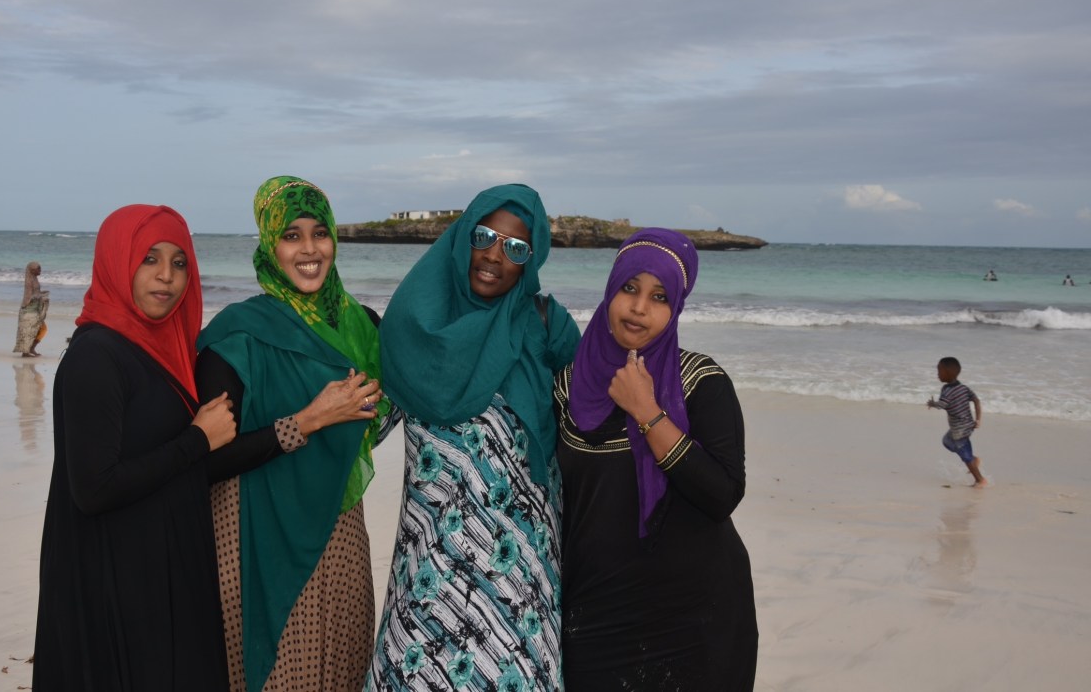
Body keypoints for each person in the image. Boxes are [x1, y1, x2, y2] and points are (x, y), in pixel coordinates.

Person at [366, 184, 580, 691]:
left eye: (516, 248)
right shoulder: (414, 331)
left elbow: (595, 418)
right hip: (429, 575)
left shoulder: (546, 325)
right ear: (463, 237)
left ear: (531, 260)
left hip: (521, 579)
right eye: (484, 236)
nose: (494, 255)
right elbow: (363, 425)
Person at [196, 176, 389, 692]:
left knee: (343, 669)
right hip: (257, 534)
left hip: (340, 533)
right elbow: (206, 462)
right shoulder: (236, 335)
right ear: (269, 244)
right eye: (291, 235)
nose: (309, 250)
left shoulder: (364, 327)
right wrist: (309, 420)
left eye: (319, 233)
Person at [33, 205, 237, 691]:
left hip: (155, 571)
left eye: (179, 262)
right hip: (113, 583)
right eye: (149, 258)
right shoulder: (96, 355)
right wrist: (197, 439)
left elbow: (174, 463)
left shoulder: (163, 351)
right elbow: (94, 490)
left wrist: (303, 424)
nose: (167, 276)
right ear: (116, 262)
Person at [554, 227, 758, 691]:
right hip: (597, 614)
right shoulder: (566, 387)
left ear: (677, 307)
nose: (639, 307)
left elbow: (722, 495)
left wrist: (646, 411)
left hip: (696, 617)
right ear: (611, 290)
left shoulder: (701, 382)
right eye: (629, 288)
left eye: (659, 296)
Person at [927, 356, 985, 487]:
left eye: (939, 371)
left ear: (947, 372)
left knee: (965, 454)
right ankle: (973, 459)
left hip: (960, 429)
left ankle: (980, 480)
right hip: (964, 426)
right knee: (947, 441)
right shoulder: (963, 388)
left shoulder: (947, 391)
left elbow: (943, 404)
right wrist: (978, 419)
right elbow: (976, 400)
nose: (937, 374)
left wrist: (933, 403)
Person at [13, 260, 49, 356]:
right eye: (38, 269)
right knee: (28, 330)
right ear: (32, 270)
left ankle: (31, 349)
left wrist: (41, 294)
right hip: (28, 309)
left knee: (42, 329)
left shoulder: (34, 279)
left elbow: (35, 293)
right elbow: (30, 296)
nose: (40, 270)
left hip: (35, 308)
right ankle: (25, 352)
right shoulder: (29, 282)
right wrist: (41, 296)